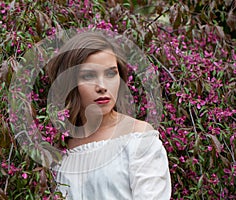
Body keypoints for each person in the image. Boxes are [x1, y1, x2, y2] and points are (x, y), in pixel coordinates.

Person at [46, 31, 171, 199]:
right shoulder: (60, 147)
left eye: (111, 73)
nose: (102, 86)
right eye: (89, 75)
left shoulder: (138, 138)